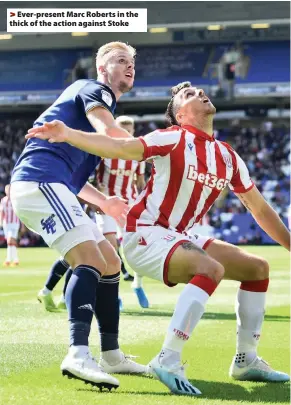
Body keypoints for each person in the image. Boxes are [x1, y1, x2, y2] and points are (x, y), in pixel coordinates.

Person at [26, 81, 291, 396]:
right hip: (145, 234)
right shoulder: (173, 137)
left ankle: (245, 360)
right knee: (211, 269)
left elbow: (260, 209)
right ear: (180, 114)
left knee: (257, 268)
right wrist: (68, 133)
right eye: (188, 95)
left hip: (179, 235)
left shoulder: (228, 156)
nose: (199, 93)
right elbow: (120, 148)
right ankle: (168, 359)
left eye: (200, 91)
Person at [10, 41, 146, 391]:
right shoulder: (96, 91)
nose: (128, 66)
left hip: (51, 185)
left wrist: (105, 201)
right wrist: (159, 151)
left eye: (131, 61)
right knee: (88, 258)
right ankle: (78, 353)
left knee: (110, 262)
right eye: (120, 60)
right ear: (102, 69)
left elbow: (75, 178)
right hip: (40, 183)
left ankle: (112, 354)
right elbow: (111, 134)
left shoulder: (86, 102)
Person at [96, 115, 149, 308]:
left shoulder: (138, 154)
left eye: (129, 130)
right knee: (110, 251)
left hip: (129, 204)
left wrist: (144, 203)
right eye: (121, 129)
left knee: (139, 247)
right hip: (107, 205)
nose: (125, 133)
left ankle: (137, 284)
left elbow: (140, 182)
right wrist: (98, 197)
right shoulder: (104, 151)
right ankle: (115, 295)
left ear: (133, 131)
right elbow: (95, 178)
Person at [0, 184, 20, 266]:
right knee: (10, 242)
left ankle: (8, 259)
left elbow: (19, 212)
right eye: (7, 190)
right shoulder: (3, 200)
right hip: (6, 223)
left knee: (10, 240)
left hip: (14, 223)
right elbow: (2, 212)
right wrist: (1, 222)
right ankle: (15, 259)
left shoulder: (15, 199)